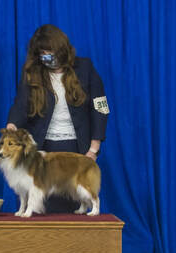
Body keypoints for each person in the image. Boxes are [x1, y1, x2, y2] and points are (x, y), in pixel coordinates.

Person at [6, 24, 109, 213]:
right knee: (42, 208)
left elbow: (101, 107)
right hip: (43, 150)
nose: (47, 56)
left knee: (75, 206)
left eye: (50, 51)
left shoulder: (85, 68)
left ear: (62, 49)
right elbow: (21, 104)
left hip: (77, 149)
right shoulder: (32, 72)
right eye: (42, 53)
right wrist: (12, 124)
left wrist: (94, 149)